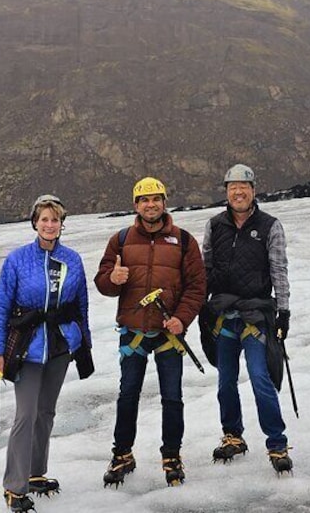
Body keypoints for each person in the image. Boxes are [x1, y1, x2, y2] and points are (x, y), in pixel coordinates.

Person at [94, 177, 206, 487]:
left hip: (169, 334)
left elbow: (197, 287)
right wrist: (112, 278)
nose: (150, 204)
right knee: (128, 394)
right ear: (135, 205)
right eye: (144, 200)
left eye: (156, 199)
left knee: (172, 397)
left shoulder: (184, 240)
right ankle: (122, 455)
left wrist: (182, 319)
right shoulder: (120, 240)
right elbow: (102, 282)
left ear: (164, 202)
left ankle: (172, 455)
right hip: (134, 332)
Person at [0, 194, 91, 512]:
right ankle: (14, 486)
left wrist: (83, 344)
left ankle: (35, 473)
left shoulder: (72, 259)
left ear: (62, 225)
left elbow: (81, 304)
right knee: (26, 415)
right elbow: (2, 306)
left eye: (55, 220)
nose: (49, 224)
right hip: (27, 348)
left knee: (46, 413)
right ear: (35, 223)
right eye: (44, 219)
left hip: (59, 346)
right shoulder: (17, 260)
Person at [200, 164, 293, 474]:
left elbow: (278, 268)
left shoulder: (270, 226)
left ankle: (277, 443)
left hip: (255, 314)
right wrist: (201, 305)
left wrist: (284, 310)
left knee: (259, 377)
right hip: (224, 316)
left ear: (254, 190)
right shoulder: (215, 226)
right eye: (232, 187)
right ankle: (233, 435)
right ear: (226, 191)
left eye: (244, 186)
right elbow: (205, 269)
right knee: (226, 380)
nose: (238, 192)